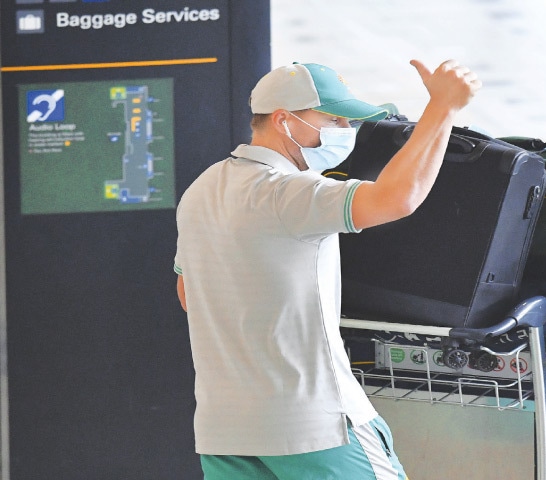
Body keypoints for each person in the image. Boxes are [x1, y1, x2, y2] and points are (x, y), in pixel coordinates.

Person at [174, 59, 481, 479]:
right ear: (283, 120)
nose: (345, 129)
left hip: (225, 431)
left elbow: (189, 295)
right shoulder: (285, 192)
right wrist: (443, 108)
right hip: (314, 428)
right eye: (333, 118)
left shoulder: (202, 189)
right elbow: (398, 197)